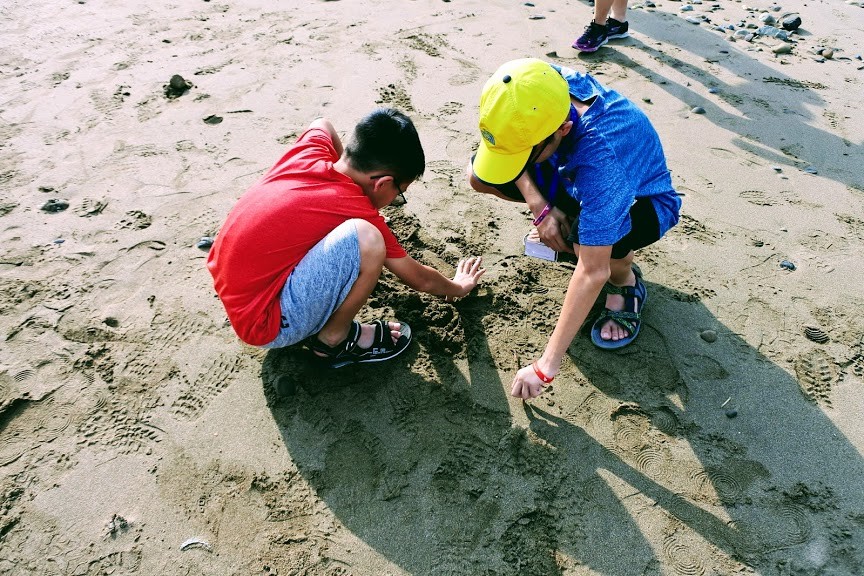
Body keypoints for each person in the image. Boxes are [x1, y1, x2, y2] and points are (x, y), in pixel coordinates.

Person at [467, 58, 680, 399]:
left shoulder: (604, 163)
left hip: (643, 202)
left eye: (525, 153)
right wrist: (541, 208)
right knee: (480, 178)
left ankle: (626, 280)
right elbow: (501, 154)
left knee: (589, 254)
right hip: (571, 173)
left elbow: (592, 271)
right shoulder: (532, 85)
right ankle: (573, 224)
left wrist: (545, 366)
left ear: (563, 129)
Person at [208, 108, 485, 369]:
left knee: (354, 235)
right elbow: (420, 279)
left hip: (236, 288)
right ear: (382, 183)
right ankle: (333, 340)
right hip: (265, 324)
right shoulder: (355, 207)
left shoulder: (309, 153)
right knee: (368, 239)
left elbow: (322, 125)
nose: (394, 200)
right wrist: (458, 287)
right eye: (399, 192)